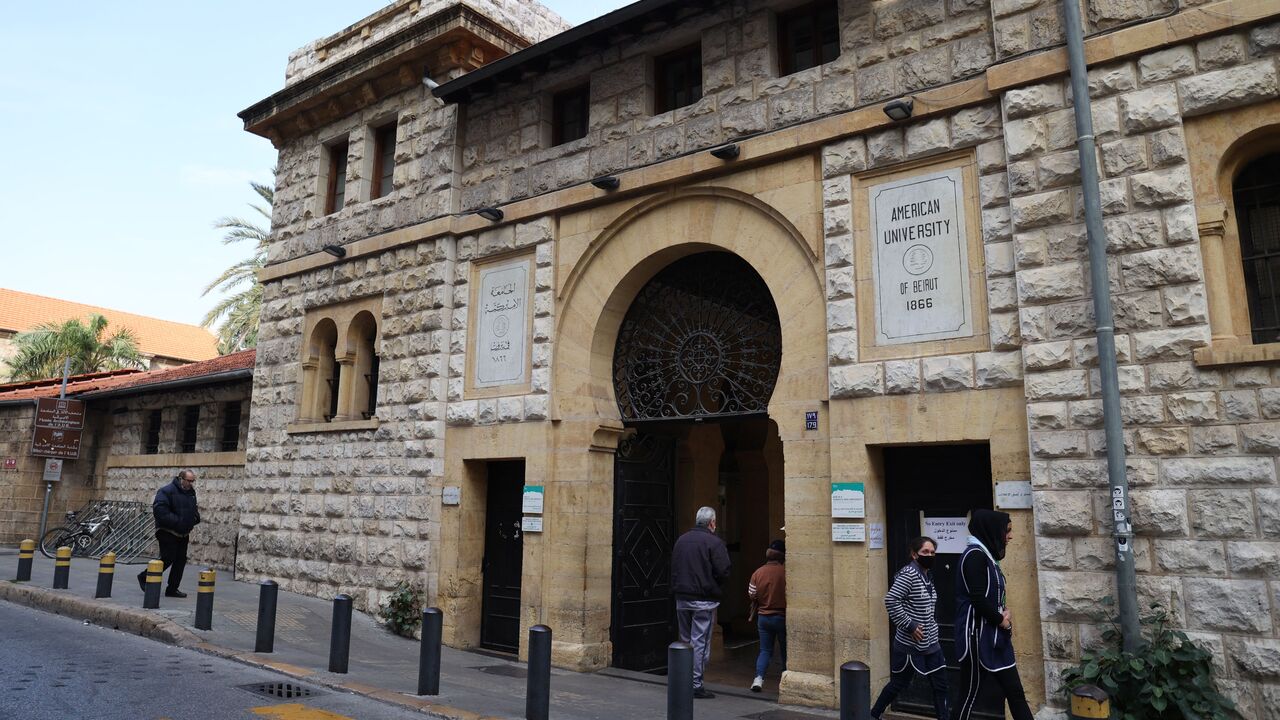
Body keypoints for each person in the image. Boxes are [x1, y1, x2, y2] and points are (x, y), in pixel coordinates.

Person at [954, 509, 1032, 720]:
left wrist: (1004, 612)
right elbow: (978, 599)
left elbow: (991, 597)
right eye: (1006, 531)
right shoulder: (975, 557)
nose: (1010, 536)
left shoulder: (986, 557)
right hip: (977, 638)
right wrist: (1002, 621)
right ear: (992, 530)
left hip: (996, 638)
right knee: (968, 695)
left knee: (1015, 692)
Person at [871, 537, 948, 720]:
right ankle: (874, 715)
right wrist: (910, 625)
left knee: (941, 685)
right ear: (914, 555)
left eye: (932, 552)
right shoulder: (909, 574)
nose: (930, 555)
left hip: (931, 643)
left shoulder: (926, 574)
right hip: (909, 645)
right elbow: (891, 600)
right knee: (898, 684)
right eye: (925, 552)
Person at [671, 506, 730, 699]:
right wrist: (713, 585)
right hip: (703, 599)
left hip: (682, 597)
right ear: (712, 523)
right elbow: (724, 570)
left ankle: (682, 680)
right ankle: (695, 684)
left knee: (685, 640)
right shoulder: (714, 542)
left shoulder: (681, 540)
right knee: (699, 643)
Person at [137, 469, 200, 598]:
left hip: (183, 533)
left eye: (192, 481)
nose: (191, 484)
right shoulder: (166, 491)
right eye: (189, 481)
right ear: (181, 479)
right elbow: (160, 511)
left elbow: (193, 509)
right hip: (167, 531)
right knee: (168, 558)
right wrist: (179, 522)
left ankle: (172, 588)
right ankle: (144, 577)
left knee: (180, 561)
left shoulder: (191, 493)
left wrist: (195, 518)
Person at [748, 539, 786, 693]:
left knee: (765, 650)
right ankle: (785, 680)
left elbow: (752, 594)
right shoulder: (785, 572)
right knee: (785, 650)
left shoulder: (758, 572)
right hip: (782, 616)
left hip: (763, 617)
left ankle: (758, 679)